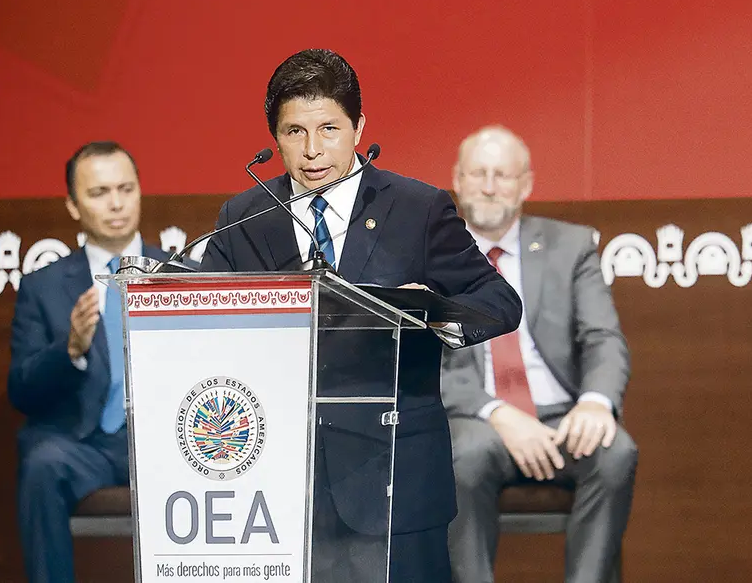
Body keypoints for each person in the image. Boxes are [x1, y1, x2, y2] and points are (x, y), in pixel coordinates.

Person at [200, 49, 522, 582]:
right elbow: (209, 323)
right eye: (294, 132)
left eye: (328, 128)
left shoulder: (417, 208)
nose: (312, 150)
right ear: (274, 138)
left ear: (359, 127)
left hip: (395, 476)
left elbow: (498, 301)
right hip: (278, 482)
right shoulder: (244, 217)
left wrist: (430, 313)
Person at [441, 125, 638, 583]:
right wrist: (496, 413)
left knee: (616, 452)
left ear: (526, 184)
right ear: (457, 179)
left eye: (502, 175)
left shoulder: (569, 247)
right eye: (478, 174)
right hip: (475, 419)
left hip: (560, 417)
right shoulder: (431, 254)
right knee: (461, 456)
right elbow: (426, 361)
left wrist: (595, 402)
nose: (489, 186)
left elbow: (603, 337)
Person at [8, 141, 168, 583]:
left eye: (126, 188)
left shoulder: (182, 273)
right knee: (42, 462)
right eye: (99, 193)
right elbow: (21, 390)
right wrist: (71, 349)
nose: (116, 203)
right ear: (73, 206)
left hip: (164, 445)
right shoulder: (43, 286)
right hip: (84, 447)